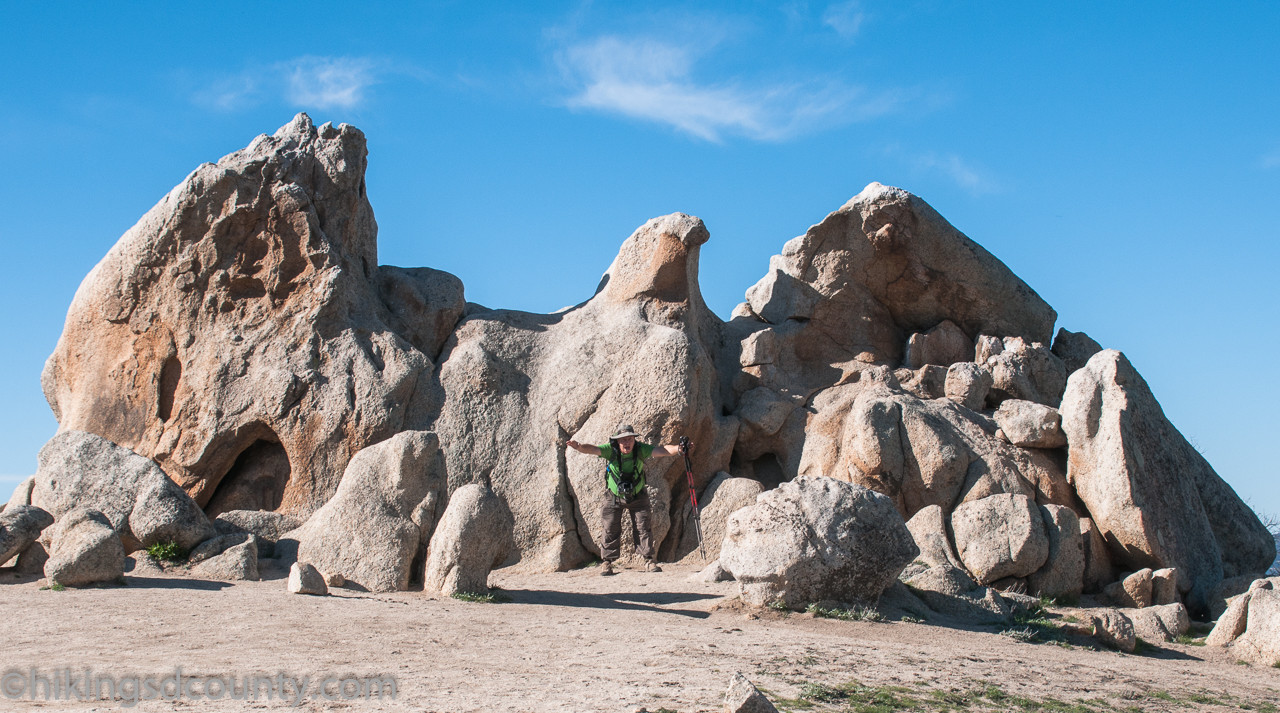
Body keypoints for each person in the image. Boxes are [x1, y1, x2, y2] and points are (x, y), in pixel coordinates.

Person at [566, 424, 687, 575]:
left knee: (643, 527)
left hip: (638, 495)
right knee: (610, 528)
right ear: (617, 441)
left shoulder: (640, 449)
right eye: (623, 440)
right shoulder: (611, 450)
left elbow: (662, 450)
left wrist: (679, 449)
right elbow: (593, 449)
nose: (626, 443)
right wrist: (579, 446)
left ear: (634, 440)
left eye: (629, 439)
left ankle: (648, 561)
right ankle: (607, 563)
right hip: (614, 496)